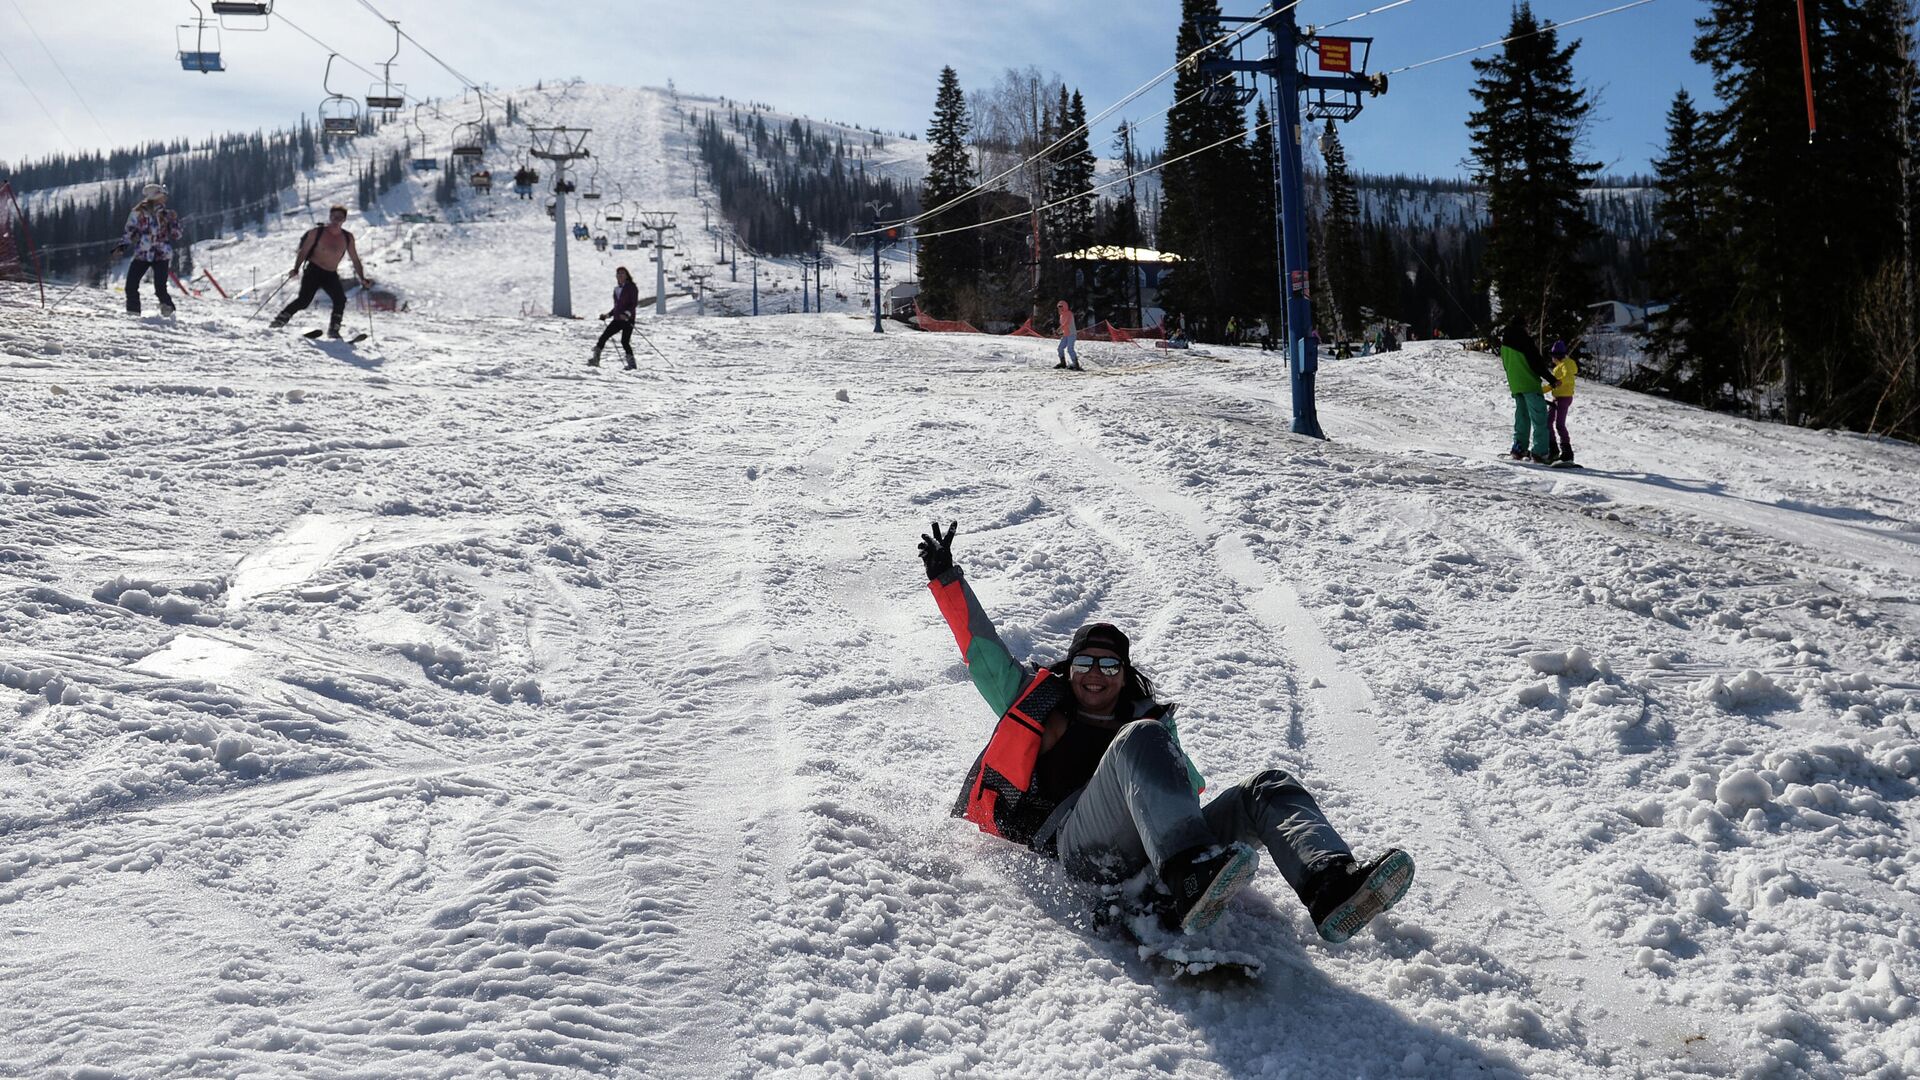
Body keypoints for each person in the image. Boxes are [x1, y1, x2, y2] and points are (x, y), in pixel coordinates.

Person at [918, 521, 1414, 942]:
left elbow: (1181, 795)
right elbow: (981, 650)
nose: (1095, 674)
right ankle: (1188, 877)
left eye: (1109, 666)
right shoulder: (1041, 704)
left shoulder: (1149, 720)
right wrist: (947, 580)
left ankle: (1331, 885)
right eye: (1085, 662)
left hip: (1159, 849)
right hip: (1078, 846)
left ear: (1124, 673)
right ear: (1069, 668)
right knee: (1138, 739)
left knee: (1269, 786)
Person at [269, 205, 369, 338]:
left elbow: (355, 259)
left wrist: (362, 278)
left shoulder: (347, 237)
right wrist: (296, 268)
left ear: (344, 219)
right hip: (313, 270)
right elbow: (303, 251)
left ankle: (334, 330)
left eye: (339, 217)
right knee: (304, 301)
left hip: (331, 274)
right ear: (330, 217)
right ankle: (280, 320)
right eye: (334, 217)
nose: (336, 220)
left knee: (340, 299)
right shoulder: (317, 232)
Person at [113, 183, 183, 316]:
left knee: (160, 288)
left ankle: (170, 314)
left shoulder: (167, 214)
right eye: (163, 195)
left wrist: (174, 222)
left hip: (161, 255)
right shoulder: (138, 213)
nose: (166, 198)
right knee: (131, 286)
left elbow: (177, 235)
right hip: (143, 254)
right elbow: (129, 232)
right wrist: (121, 247)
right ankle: (133, 313)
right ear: (155, 196)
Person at [1499, 320, 1556, 463]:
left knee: (1522, 418)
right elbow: (1537, 364)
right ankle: (1540, 453)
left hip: (1516, 386)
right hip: (1530, 385)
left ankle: (1518, 448)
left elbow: (1506, 366)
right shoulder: (1525, 342)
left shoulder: (1504, 346)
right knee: (1539, 419)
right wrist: (1552, 380)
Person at [592, 266, 640, 369]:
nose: (620, 275)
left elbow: (633, 303)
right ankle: (595, 360)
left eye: (622, 273)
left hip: (628, 320)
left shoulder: (632, 287)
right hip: (618, 319)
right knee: (603, 337)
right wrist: (608, 315)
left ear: (627, 275)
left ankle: (632, 364)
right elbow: (617, 307)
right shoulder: (617, 289)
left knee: (624, 341)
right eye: (618, 274)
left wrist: (627, 314)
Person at [1546, 339, 1578, 464]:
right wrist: (1539, 391)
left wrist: (1559, 382)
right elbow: (1554, 384)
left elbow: (1568, 378)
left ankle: (1567, 453)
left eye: (1552, 356)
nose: (1552, 359)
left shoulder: (1567, 364)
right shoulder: (1559, 367)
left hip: (1564, 398)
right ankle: (1553, 449)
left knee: (1559, 424)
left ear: (1556, 356)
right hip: (1557, 397)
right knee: (1548, 422)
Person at [1054, 300, 1083, 371]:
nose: (1060, 308)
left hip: (1071, 334)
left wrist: (1058, 330)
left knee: (1070, 349)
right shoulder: (1061, 315)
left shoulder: (1069, 313)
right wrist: (1060, 332)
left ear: (1065, 306)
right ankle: (1063, 363)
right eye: (1059, 307)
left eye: (1061, 306)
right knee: (1060, 348)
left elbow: (1066, 323)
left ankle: (1076, 364)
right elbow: (1063, 326)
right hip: (1065, 335)